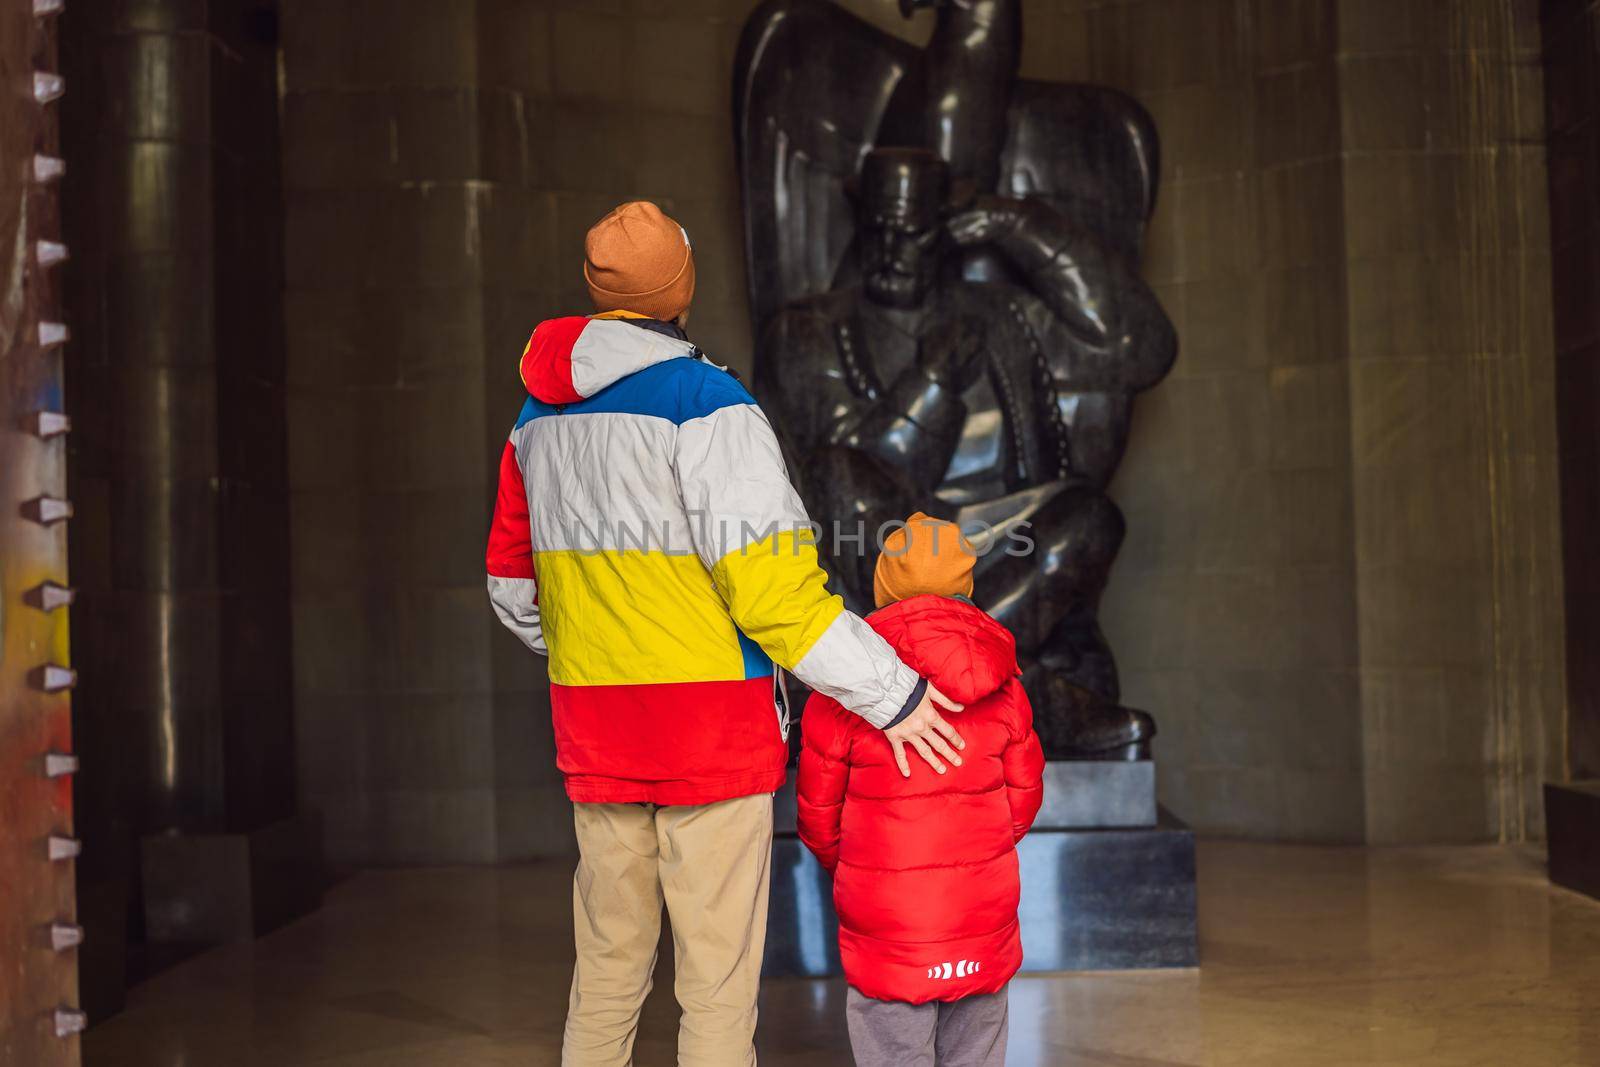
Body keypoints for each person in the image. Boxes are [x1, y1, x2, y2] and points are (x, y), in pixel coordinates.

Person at [484, 200, 966, 1067]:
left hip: (596, 732)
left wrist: (601, 656)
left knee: (604, 971)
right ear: (680, 290)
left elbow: (513, 588)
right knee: (713, 984)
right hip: (710, 736)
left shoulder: (534, 421)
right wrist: (892, 693)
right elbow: (776, 594)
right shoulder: (709, 403)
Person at [796, 513, 1045, 1067]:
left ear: (883, 584)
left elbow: (817, 817)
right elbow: (1024, 800)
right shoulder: (1004, 683)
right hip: (980, 910)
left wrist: (858, 868)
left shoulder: (846, 687)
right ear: (966, 585)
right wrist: (979, 851)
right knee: (977, 1049)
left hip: (886, 919)